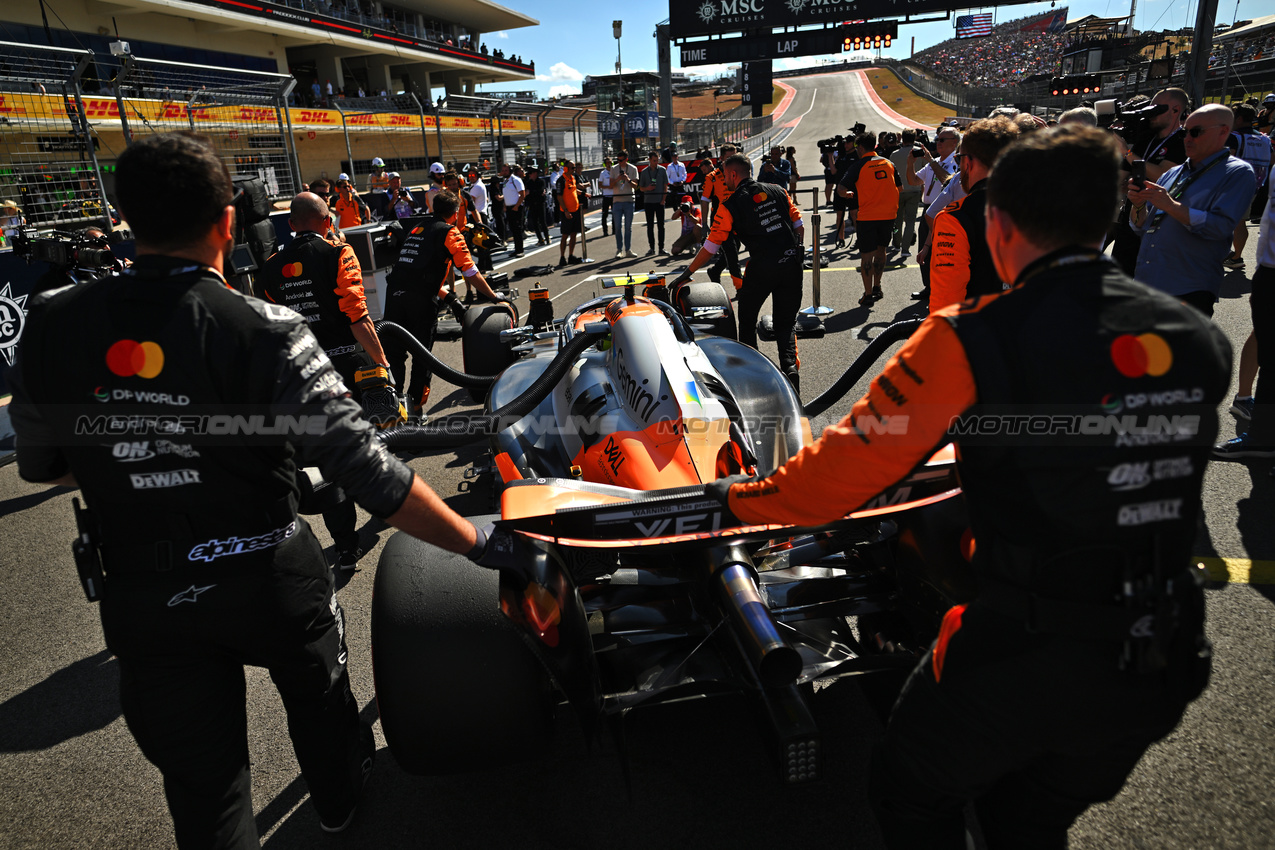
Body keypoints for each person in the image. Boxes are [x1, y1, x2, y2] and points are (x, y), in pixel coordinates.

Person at [706, 125, 1230, 849]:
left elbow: (829, 486)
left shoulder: (971, 336)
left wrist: (735, 500)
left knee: (909, 793)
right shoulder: (1197, 337)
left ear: (997, 221)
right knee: (1028, 818)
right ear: (1112, 217)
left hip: (1025, 654)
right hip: (1162, 654)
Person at [7, 132, 494, 849]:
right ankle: (338, 808)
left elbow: (43, 466)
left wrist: (137, 453)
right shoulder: (264, 328)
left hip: (143, 586)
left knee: (206, 797)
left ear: (125, 216)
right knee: (323, 717)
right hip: (268, 569)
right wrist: (477, 542)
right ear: (230, 223)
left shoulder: (50, 323)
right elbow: (367, 473)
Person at [674, 154, 805, 391]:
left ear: (733, 174)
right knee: (786, 324)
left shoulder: (729, 205)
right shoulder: (778, 190)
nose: (724, 181)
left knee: (746, 320)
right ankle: (790, 370)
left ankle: (753, 375)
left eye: (725, 176)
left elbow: (711, 246)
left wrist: (687, 271)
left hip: (761, 267)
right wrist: (793, 254)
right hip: (790, 263)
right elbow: (799, 226)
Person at [1129, 103, 1257, 318]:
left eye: (1196, 132)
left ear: (1223, 131)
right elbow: (1141, 226)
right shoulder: (1174, 173)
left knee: (1180, 351)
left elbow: (1219, 227)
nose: (1187, 139)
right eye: (1184, 132)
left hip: (1188, 289)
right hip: (1147, 283)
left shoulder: (1237, 173)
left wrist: (1170, 205)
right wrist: (1138, 203)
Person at [383, 189, 500, 419]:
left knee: (395, 355)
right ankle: (415, 409)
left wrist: (451, 299)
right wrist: (494, 296)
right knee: (422, 357)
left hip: (394, 297)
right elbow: (470, 272)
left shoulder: (418, 228)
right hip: (419, 302)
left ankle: (393, 409)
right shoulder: (450, 232)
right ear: (455, 213)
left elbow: (418, 272)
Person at [929, 116, 1021, 312]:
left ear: (968, 162)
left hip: (981, 334)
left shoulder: (955, 218)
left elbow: (945, 304)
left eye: (959, 158)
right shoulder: (1047, 207)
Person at [1112, 88, 1189, 274]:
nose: (1151, 113)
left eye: (1157, 108)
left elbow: (1163, 175)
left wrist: (1127, 153)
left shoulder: (1182, 140)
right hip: (1131, 216)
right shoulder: (1146, 138)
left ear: (1175, 110)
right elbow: (1121, 176)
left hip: (1158, 223)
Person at [837, 132, 902, 306]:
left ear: (860, 148)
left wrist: (848, 194)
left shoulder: (858, 166)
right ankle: (877, 287)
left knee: (866, 255)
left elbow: (841, 188)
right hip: (888, 215)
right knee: (882, 251)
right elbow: (900, 188)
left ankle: (868, 294)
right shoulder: (889, 163)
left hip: (868, 217)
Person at [911, 127, 961, 304]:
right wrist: (910, 163)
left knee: (939, 252)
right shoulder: (937, 160)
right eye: (937, 140)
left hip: (944, 211)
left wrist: (931, 162)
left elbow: (948, 180)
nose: (937, 143)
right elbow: (914, 181)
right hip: (928, 209)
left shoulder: (955, 161)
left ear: (954, 143)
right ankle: (929, 287)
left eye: (942, 140)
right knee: (923, 250)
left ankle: (940, 288)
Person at [1222, 103, 1271, 269]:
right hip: (1257, 185)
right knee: (1240, 221)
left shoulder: (1234, 137)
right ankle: (1236, 255)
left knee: (1225, 221)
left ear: (1240, 119)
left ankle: (1234, 257)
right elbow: (1271, 160)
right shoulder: (1264, 138)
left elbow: (1226, 160)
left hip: (1233, 185)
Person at [699, 146, 743, 290]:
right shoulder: (712, 177)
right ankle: (740, 287)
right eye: (730, 157)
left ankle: (715, 271)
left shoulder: (741, 174)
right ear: (722, 158)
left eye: (735, 156)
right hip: (720, 221)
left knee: (736, 248)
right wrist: (704, 224)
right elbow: (704, 199)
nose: (734, 160)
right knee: (731, 253)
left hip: (738, 218)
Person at [888, 131, 925, 255]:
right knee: (910, 221)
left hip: (898, 190)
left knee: (897, 221)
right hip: (914, 189)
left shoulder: (894, 154)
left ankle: (897, 244)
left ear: (902, 139)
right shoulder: (919, 152)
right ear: (914, 138)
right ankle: (905, 248)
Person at [639, 152, 669, 255]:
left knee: (661, 226)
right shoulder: (644, 172)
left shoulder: (662, 170)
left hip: (660, 202)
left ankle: (661, 248)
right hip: (648, 202)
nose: (656, 162)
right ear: (649, 160)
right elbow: (641, 188)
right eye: (654, 160)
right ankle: (651, 248)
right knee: (650, 226)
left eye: (657, 160)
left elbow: (666, 185)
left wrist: (663, 199)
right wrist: (647, 188)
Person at [610, 151, 638, 259]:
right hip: (617, 201)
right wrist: (617, 179)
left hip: (629, 200)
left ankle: (628, 249)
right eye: (618, 160)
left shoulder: (633, 169)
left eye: (621, 160)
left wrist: (627, 179)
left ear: (626, 159)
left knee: (628, 227)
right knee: (617, 227)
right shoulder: (613, 169)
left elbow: (636, 186)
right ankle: (619, 249)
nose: (619, 162)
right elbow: (610, 185)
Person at [556, 159, 584, 266]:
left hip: (575, 210)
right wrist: (566, 211)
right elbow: (559, 197)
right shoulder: (561, 180)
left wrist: (583, 194)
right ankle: (562, 257)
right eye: (572, 168)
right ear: (566, 168)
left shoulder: (573, 178)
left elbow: (573, 190)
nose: (574, 170)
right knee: (565, 235)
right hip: (566, 212)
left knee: (574, 234)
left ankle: (571, 255)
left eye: (574, 168)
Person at [500, 163, 526, 257]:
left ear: (510, 171)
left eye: (506, 170)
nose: (504, 172)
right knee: (513, 229)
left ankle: (520, 250)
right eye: (503, 170)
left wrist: (516, 206)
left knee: (517, 229)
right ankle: (516, 249)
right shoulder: (505, 182)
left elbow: (522, 194)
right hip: (509, 207)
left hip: (516, 207)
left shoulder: (516, 180)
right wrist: (505, 205)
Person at [524, 165, 550, 245]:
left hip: (540, 203)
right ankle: (540, 239)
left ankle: (547, 237)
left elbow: (540, 192)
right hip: (532, 204)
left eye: (531, 173)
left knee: (543, 221)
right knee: (535, 223)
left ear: (535, 173)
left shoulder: (541, 182)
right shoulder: (528, 183)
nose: (529, 175)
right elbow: (527, 194)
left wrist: (531, 192)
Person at [665, 149, 688, 218]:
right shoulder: (669, 166)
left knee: (683, 197)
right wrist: (672, 183)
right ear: (672, 158)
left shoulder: (681, 164)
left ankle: (684, 210)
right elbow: (667, 176)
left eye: (676, 156)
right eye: (673, 157)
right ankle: (676, 212)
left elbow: (685, 173)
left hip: (680, 183)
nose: (675, 158)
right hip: (673, 184)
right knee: (674, 199)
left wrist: (683, 181)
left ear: (677, 157)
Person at [598, 156, 614, 238]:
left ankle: (614, 229)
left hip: (614, 195)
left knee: (615, 213)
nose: (609, 165)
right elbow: (600, 185)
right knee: (605, 214)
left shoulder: (615, 171)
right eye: (607, 163)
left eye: (610, 163)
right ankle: (605, 231)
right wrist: (608, 186)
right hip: (606, 196)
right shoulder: (602, 173)